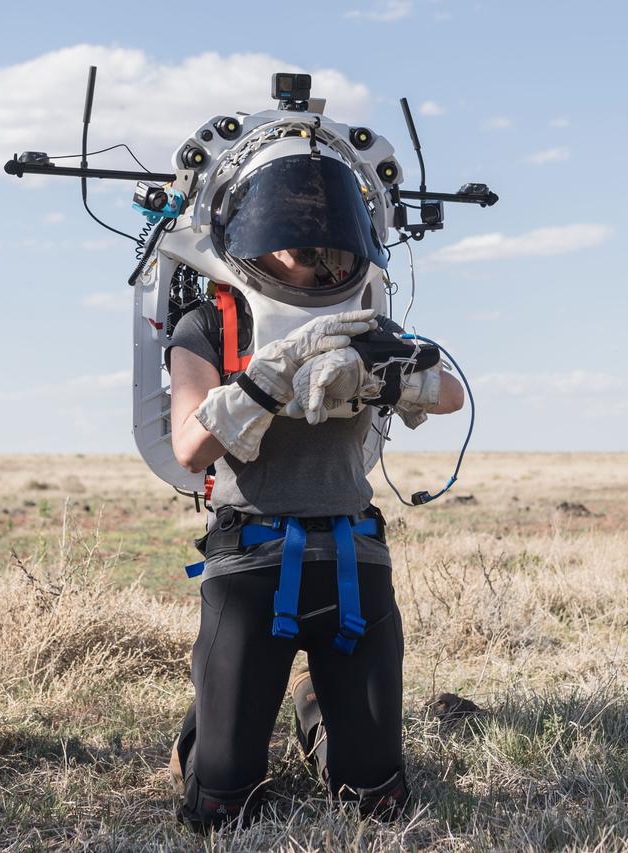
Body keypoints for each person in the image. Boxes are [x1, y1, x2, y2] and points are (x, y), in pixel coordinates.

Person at [164, 170, 465, 828]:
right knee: (221, 809)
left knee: (379, 803)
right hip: (251, 559)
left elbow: (449, 393)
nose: (311, 247)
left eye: (324, 233)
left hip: (351, 559)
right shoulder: (210, 322)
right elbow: (189, 447)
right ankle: (216, 723)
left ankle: (311, 703)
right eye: (292, 229)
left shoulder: (362, 319)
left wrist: (380, 372)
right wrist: (263, 382)